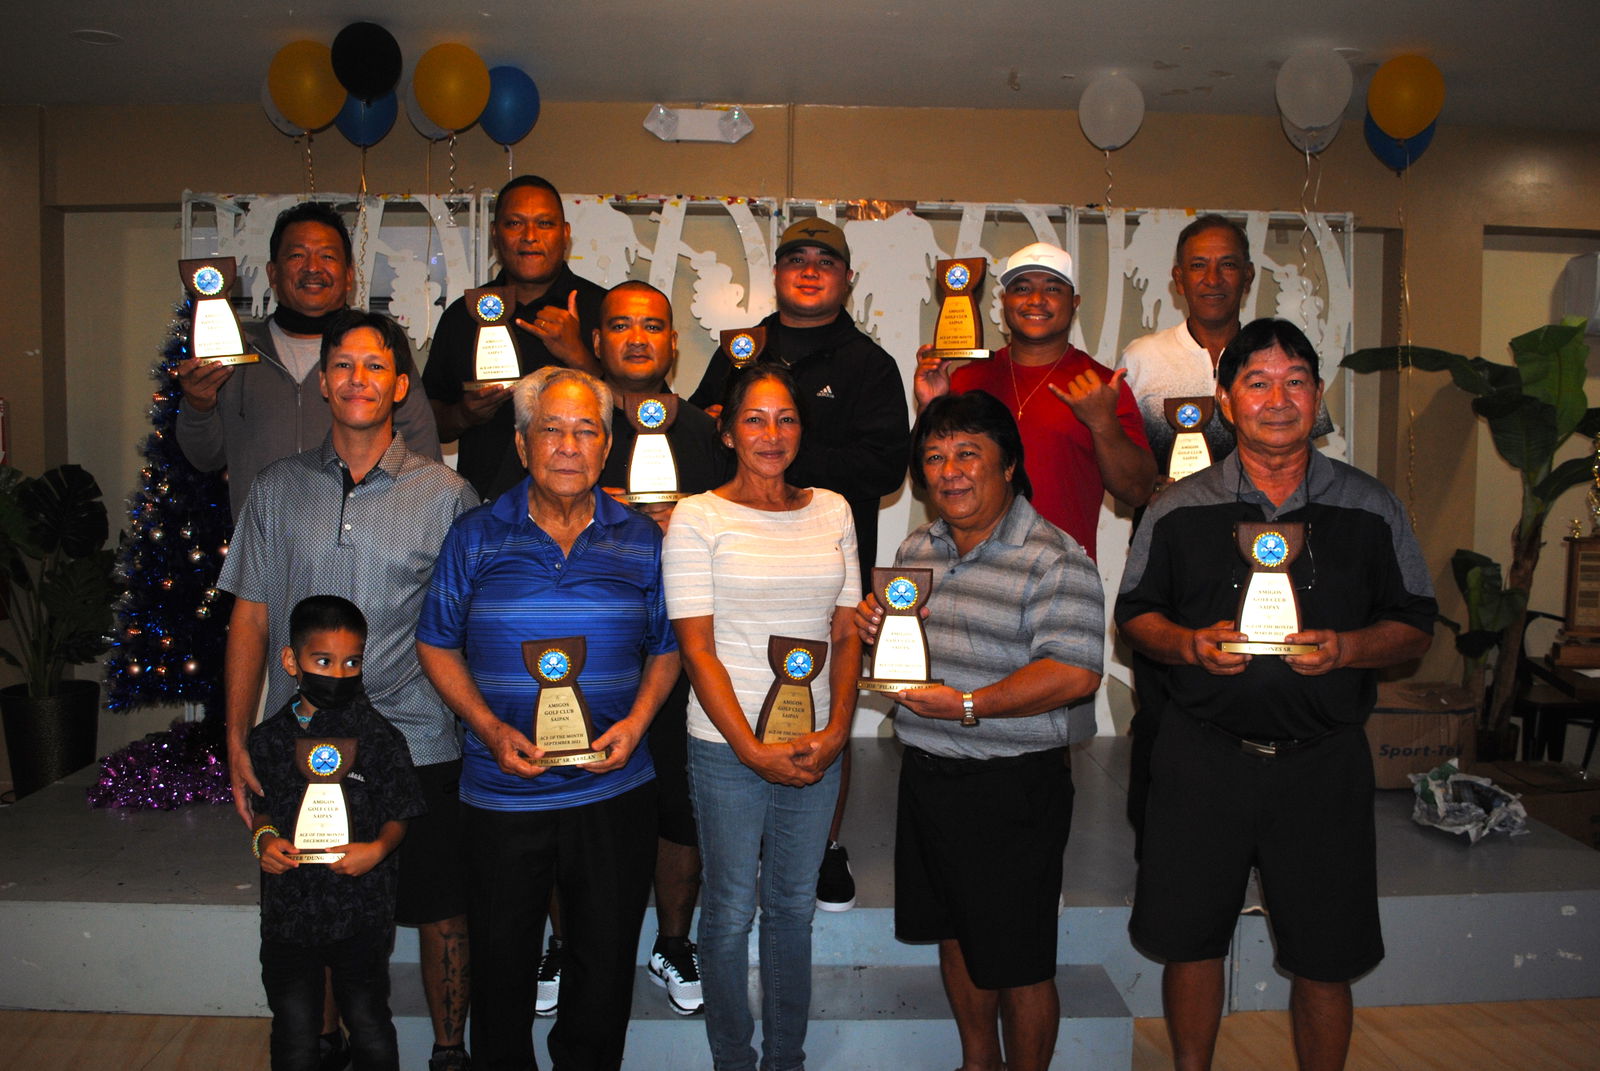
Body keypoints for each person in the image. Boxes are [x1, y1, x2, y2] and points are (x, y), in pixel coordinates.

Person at [1116, 319, 1435, 1071]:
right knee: (1191, 942)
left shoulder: (1371, 506)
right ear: (1227, 401)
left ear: (1317, 396)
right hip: (1202, 759)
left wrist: (1349, 648)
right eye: (1257, 383)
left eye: (1295, 381)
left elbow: (1415, 624)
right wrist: (1187, 644)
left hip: (1322, 763)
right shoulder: (1177, 507)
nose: (1278, 399)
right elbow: (1134, 616)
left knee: (1326, 956)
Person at [220, 310, 479, 1071]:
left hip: (420, 740)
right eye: (342, 364)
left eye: (375, 365)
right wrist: (235, 737)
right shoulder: (277, 489)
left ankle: (450, 1054)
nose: (357, 378)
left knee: (441, 908)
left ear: (399, 386)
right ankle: (325, 1048)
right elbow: (250, 617)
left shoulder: (447, 495)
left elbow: (467, 628)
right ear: (324, 382)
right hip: (302, 746)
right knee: (315, 908)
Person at [416, 366, 679, 1071]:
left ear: (607, 446)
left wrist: (639, 723)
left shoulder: (643, 540)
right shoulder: (474, 535)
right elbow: (435, 642)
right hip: (502, 792)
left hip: (613, 789)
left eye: (586, 431)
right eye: (551, 430)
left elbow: (668, 647)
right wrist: (488, 728)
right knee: (500, 965)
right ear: (522, 444)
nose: (568, 446)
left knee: (604, 966)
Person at [855, 390, 1103, 1071]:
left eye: (968, 454)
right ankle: (976, 1062)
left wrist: (968, 705)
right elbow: (909, 661)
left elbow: (1075, 672)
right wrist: (879, 633)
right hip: (929, 775)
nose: (950, 472)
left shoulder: (1054, 557)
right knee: (955, 930)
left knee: (1020, 959)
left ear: (1009, 465)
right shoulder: (917, 549)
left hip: (1013, 787)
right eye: (935, 458)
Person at [688, 216, 910, 912]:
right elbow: (701, 433)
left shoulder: (869, 365)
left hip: (823, 563)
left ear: (847, 277)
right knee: (737, 687)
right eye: (796, 258)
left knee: (822, 702)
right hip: (738, 565)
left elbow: (885, 466)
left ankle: (825, 842)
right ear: (777, 273)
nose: (810, 270)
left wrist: (781, 455)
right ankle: (745, 839)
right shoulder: (741, 350)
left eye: (826, 260)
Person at [663, 364, 862, 1071]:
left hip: (815, 741)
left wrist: (838, 731)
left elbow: (846, 631)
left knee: (791, 907)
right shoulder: (698, 517)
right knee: (727, 909)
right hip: (726, 745)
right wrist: (748, 747)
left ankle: (785, 1060)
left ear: (802, 430)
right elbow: (697, 649)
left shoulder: (834, 510)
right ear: (727, 431)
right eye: (754, 419)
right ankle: (732, 1059)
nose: (771, 434)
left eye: (786, 419)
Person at [595, 280, 731, 1016]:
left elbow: (743, 528)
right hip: (587, 651)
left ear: (674, 343)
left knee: (683, 803)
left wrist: (693, 523)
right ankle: (571, 946)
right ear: (598, 341)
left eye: (652, 326)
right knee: (579, 800)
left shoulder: (709, 435)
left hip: (686, 646)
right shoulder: (574, 421)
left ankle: (674, 943)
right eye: (620, 325)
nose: (637, 338)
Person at [177, 201, 441, 519]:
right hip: (264, 539)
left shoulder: (381, 352)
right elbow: (205, 458)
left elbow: (423, 452)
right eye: (297, 255)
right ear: (272, 273)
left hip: (362, 538)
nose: (313, 268)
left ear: (349, 276)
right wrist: (199, 406)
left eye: (327, 256)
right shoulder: (234, 352)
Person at [249, 595, 425, 1071]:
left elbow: (401, 812)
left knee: (369, 1023)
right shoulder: (267, 740)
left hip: (360, 909)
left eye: (352, 662)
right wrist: (264, 841)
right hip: (288, 912)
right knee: (293, 1029)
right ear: (292, 661)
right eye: (323, 661)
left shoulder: (380, 738)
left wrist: (378, 849)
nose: (340, 673)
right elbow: (262, 811)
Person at [914, 241, 1155, 560]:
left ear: (1074, 302)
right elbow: (926, 479)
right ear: (1004, 301)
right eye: (1022, 288)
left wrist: (1103, 423)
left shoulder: (1099, 386)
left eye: (1053, 288)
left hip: (1061, 568)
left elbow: (1138, 491)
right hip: (970, 566)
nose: (1036, 299)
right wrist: (929, 406)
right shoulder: (966, 379)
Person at [423, 174, 606, 501]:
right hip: (486, 506)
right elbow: (427, 420)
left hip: (588, 507)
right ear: (496, 234)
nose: (530, 237)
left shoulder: (602, 309)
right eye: (515, 224)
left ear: (565, 234)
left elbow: (636, 409)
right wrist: (464, 414)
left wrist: (579, 356)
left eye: (544, 224)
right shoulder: (463, 315)